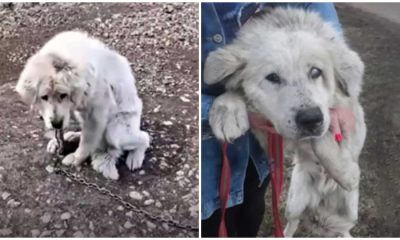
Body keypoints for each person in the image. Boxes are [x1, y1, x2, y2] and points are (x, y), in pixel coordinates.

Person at [201, 3, 343, 237]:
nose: (308, 109)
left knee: (251, 212)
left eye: (314, 73)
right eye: (274, 78)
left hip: (257, 155)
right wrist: (214, 109)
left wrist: (337, 92)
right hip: (207, 162)